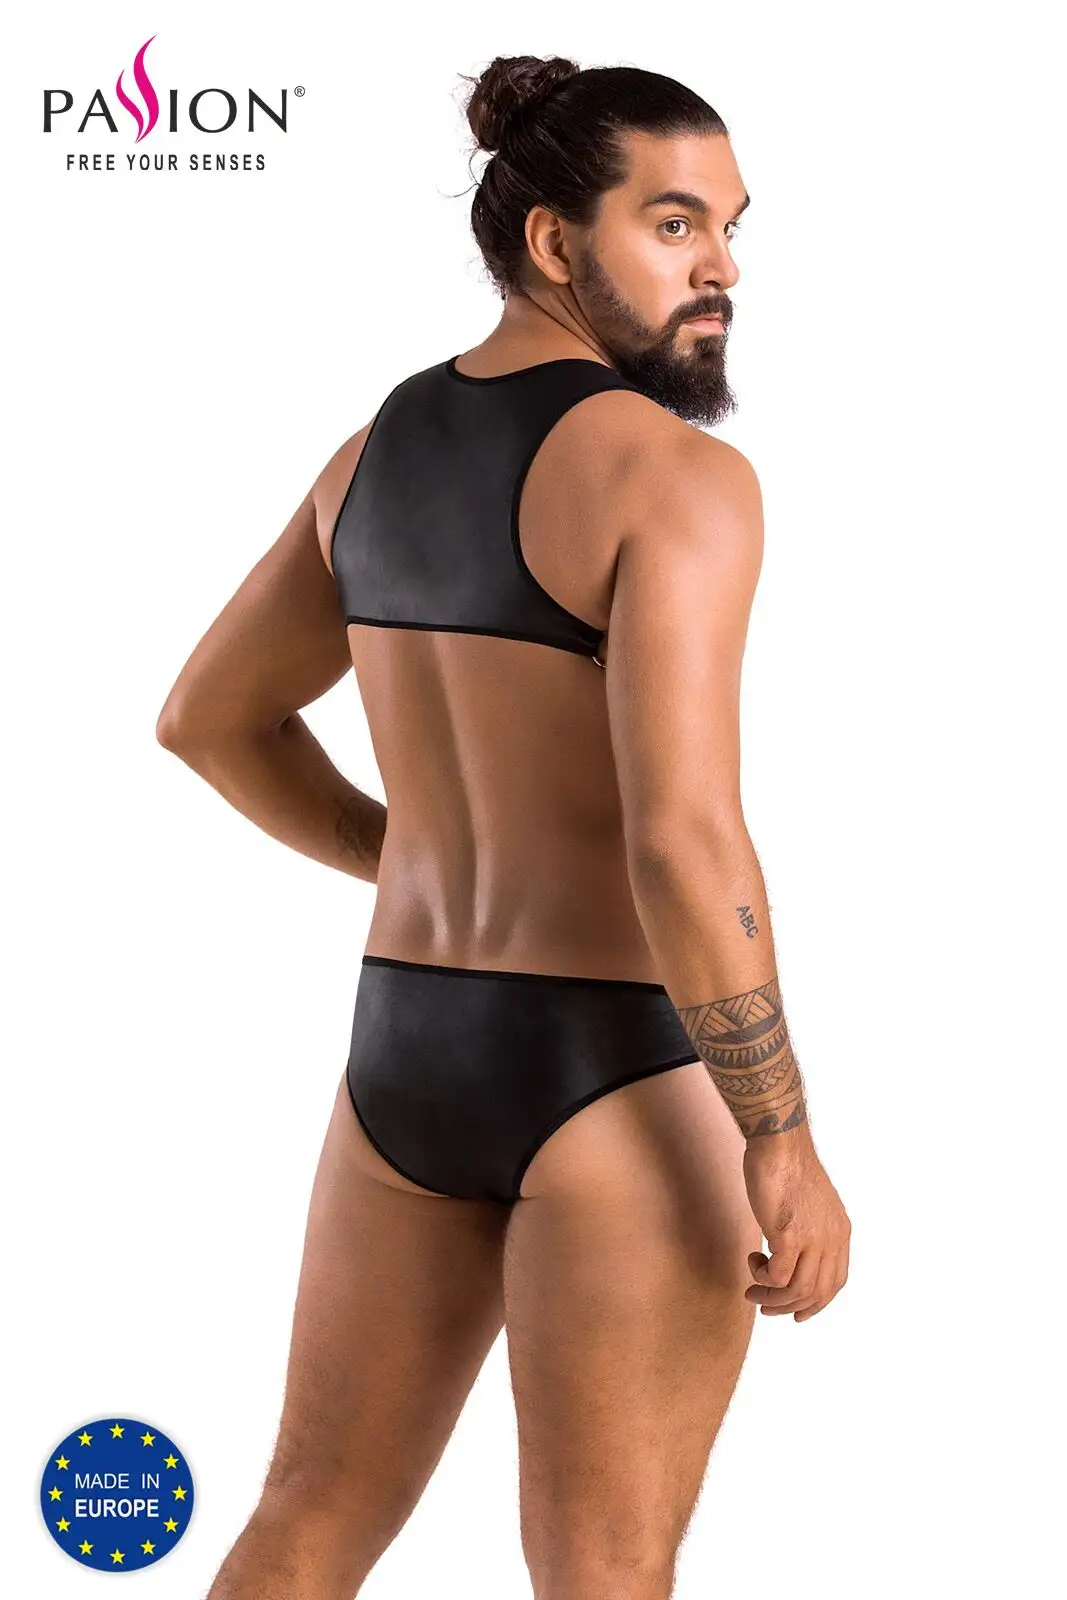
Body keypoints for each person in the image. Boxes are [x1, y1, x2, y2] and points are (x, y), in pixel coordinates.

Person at [157, 53, 851, 1600]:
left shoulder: (372, 457)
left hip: (404, 1057)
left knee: (306, 1520)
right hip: (614, 1071)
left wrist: (404, 858)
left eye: (728, 227)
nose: (722, 268)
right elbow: (683, 841)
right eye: (673, 225)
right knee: (601, 1570)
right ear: (552, 239)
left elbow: (208, 720)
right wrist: (781, 1133)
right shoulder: (676, 480)